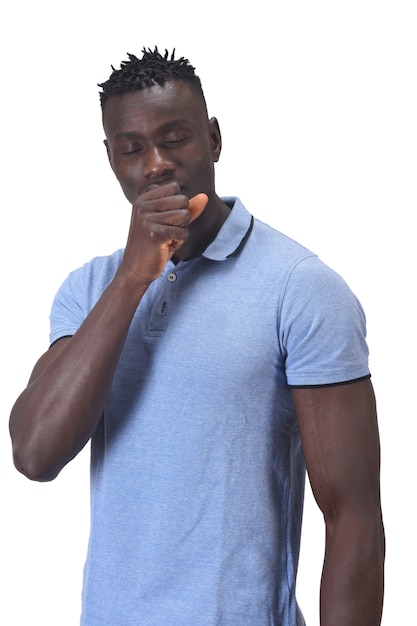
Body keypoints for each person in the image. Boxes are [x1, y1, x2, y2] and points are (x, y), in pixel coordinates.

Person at [9, 47, 385, 626]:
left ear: (213, 139)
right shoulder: (89, 288)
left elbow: (352, 516)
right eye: (132, 149)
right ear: (111, 159)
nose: (155, 164)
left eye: (175, 137)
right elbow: (36, 452)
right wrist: (134, 277)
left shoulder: (301, 288)